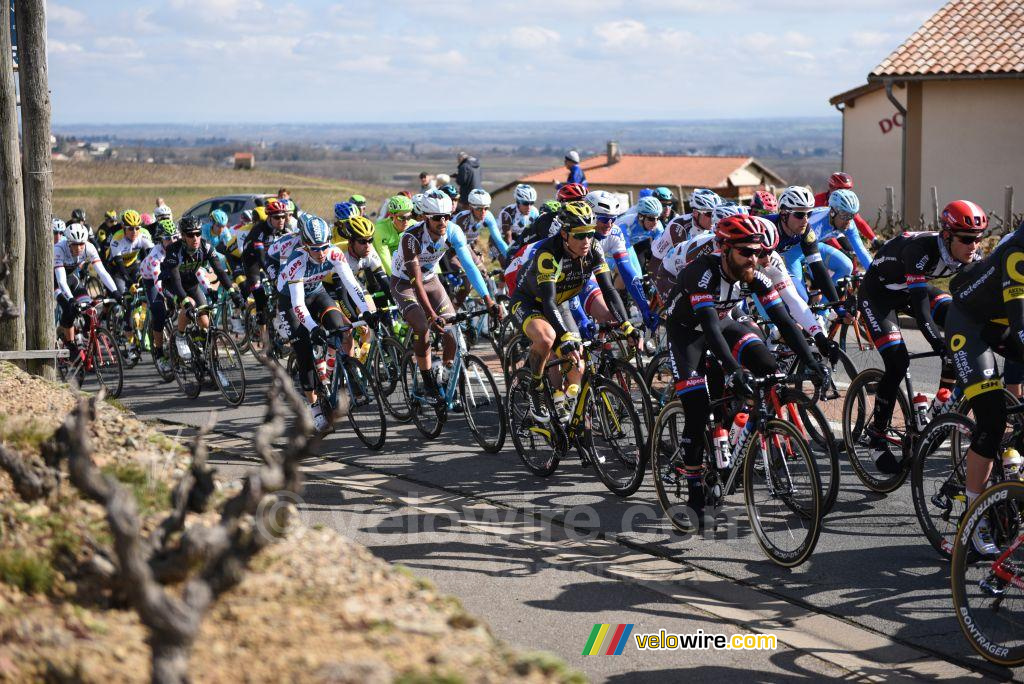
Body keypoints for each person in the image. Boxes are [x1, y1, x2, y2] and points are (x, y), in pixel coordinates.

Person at [661, 214, 826, 516]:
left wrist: (812, 359)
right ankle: (695, 483)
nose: (754, 258)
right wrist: (735, 370)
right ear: (725, 250)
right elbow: (708, 329)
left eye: (758, 251)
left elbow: (784, 321)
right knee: (697, 409)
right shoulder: (702, 274)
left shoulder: (755, 275)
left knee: (768, 367)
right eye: (746, 252)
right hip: (687, 333)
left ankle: (739, 428)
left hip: (724, 321)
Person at [860, 200, 984, 475]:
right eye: (966, 239)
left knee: (956, 321)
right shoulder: (920, 251)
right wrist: (939, 346)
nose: (973, 246)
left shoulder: (971, 254)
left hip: (910, 288)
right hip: (879, 295)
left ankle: (939, 406)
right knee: (897, 361)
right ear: (948, 235)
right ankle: (877, 436)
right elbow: (919, 308)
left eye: (977, 238)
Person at [509, 201, 637, 422]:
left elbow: (608, 289)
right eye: (579, 235)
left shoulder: (594, 248)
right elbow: (548, 302)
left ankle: (562, 401)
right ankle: (536, 388)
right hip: (531, 302)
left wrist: (626, 324)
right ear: (565, 233)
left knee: (577, 360)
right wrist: (565, 336)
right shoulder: (549, 254)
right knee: (548, 338)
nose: (586, 241)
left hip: (560, 303)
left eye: (589, 233)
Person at [945, 217, 1024, 554]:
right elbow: (1021, 327)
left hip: (1000, 323)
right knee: (991, 421)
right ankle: (972, 520)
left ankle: (1011, 467)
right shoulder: (1017, 254)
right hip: (969, 325)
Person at [389, 190, 500, 406]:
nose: (443, 221)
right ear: (425, 218)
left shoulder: (454, 231)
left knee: (453, 327)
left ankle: (447, 372)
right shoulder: (411, 238)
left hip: (431, 279)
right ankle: (428, 379)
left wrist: (488, 299)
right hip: (405, 283)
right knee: (422, 327)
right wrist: (431, 315)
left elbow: (469, 266)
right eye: (437, 217)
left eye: (447, 216)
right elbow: (415, 281)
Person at [280, 214, 375, 429]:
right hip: (291, 302)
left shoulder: (333, 253)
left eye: (324, 246)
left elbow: (352, 284)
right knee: (304, 350)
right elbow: (297, 303)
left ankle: (337, 369)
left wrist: (365, 311)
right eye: (315, 248)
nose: (321, 253)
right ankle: (314, 407)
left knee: (343, 329)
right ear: (305, 245)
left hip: (317, 293)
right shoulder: (297, 260)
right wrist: (313, 327)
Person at [161, 216, 244, 364]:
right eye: (190, 234)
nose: (195, 237)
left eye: (198, 233)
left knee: (205, 323)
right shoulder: (174, 250)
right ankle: (180, 337)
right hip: (172, 285)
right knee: (190, 305)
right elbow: (175, 279)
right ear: (183, 236)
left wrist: (232, 292)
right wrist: (184, 301)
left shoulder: (205, 247)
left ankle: (208, 363)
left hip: (191, 284)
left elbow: (220, 271)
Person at [54, 222, 119, 363]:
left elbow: (102, 272)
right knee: (68, 307)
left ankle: (84, 337)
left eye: (81, 244)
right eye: (75, 245)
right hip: (55, 281)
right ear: (68, 243)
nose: (79, 248)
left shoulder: (89, 247)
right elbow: (60, 280)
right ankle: (70, 345)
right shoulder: (59, 249)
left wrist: (115, 292)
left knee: (90, 307)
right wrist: (71, 299)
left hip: (72, 278)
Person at [814, 172, 877, 245]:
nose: (845, 193)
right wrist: (840, 250)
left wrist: (874, 240)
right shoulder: (818, 200)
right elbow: (825, 230)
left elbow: (859, 222)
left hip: (838, 236)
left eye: (848, 189)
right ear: (831, 187)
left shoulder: (847, 203)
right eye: (842, 189)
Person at [374, 195, 416, 276]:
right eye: (401, 218)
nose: (406, 221)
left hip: (403, 263)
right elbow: (384, 257)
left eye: (409, 217)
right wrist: (396, 278)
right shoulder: (380, 229)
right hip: (379, 263)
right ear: (391, 215)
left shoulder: (414, 225)